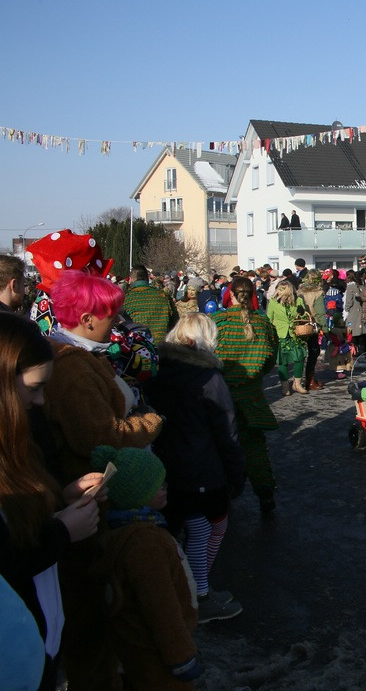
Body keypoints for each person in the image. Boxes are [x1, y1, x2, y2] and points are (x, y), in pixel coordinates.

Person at [42, 270, 165, 691]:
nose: (118, 321)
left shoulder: (79, 355)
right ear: (89, 317)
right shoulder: (72, 367)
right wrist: (150, 423)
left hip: (92, 496)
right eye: (111, 314)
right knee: (91, 617)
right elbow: (99, 435)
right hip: (90, 499)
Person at [0, 313, 104, 691]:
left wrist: (63, 495)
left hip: (38, 639)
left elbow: (18, 518)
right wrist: (61, 532)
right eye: (32, 389)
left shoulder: (15, 439)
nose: (41, 401)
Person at [142, 313, 245, 623]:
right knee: (212, 527)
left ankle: (193, 589)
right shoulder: (208, 378)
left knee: (192, 527)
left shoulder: (157, 370)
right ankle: (195, 593)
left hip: (165, 465)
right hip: (200, 467)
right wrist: (236, 473)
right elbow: (226, 431)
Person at [92, 445, 201, 690]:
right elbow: (161, 607)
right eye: (157, 486)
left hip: (135, 648)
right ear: (136, 495)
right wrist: (181, 657)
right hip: (157, 654)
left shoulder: (121, 529)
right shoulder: (145, 543)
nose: (164, 489)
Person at [212, 277, 279, 513]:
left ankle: (223, 495)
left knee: (219, 446)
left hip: (220, 397)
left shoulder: (216, 322)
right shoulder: (263, 322)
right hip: (252, 395)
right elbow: (271, 360)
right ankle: (265, 492)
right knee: (254, 446)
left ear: (229, 294)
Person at [266, 280, 310, 396]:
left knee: (299, 358)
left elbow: (304, 316)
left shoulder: (298, 300)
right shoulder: (273, 302)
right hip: (280, 335)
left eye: (282, 290)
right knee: (282, 361)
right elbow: (269, 319)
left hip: (295, 334)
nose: (279, 292)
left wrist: (302, 313)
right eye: (278, 289)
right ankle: (285, 386)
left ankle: (297, 383)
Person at [123, 265, 179, 343]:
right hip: (160, 346)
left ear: (131, 279)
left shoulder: (126, 298)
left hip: (137, 345)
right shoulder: (163, 296)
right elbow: (175, 321)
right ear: (148, 278)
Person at [297, 273, 327, 391]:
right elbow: (320, 312)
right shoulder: (317, 293)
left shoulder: (299, 292)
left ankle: (298, 380)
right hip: (312, 325)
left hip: (299, 324)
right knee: (313, 352)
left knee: (300, 353)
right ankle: (309, 380)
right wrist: (324, 328)